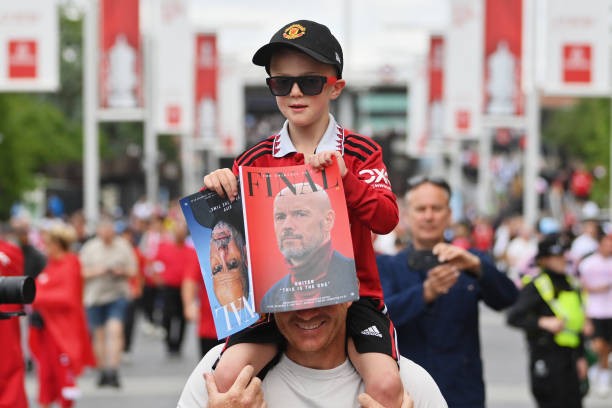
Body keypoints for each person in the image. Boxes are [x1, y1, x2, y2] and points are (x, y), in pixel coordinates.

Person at [203, 19, 402, 407]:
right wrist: (216, 188)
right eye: (281, 83)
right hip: (274, 299)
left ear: (335, 86)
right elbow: (223, 233)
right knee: (227, 375)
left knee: (387, 385)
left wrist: (345, 179)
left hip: (353, 296)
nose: (295, 92)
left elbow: (387, 219)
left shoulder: (361, 152)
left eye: (309, 82)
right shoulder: (253, 159)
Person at [376, 176, 519, 408]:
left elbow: (509, 298)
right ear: (407, 214)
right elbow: (378, 319)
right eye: (421, 209)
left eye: (436, 208)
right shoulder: (387, 266)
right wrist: (424, 293)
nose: (429, 216)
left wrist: (477, 267)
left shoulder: (468, 262)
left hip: (462, 391)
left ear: (449, 214)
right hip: (407, 393)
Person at [177, 301, 448, 408]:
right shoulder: (221, 379)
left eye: (321, 294)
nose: (307, 312)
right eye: (290, 297)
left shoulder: (407, 385)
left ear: (350, 293)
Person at [507, 234, 588, 407]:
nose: (561, 260)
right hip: (546, 355)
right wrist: (543, 322)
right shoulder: (537, 285)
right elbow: (514, 317)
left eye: (562, 256)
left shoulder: (571, 284)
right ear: (544, 260)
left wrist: (581, 357)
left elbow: (577, 324)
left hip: (570, 357)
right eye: (555, 257)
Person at [28, 222, 96, 408]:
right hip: (47, 330)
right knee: (46, 377)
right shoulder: (51, 265)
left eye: (48, 243)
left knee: (63, 379)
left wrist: (37, 297)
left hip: (63, 332)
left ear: (57, 244)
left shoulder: (70, 263)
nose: (44, 247)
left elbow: (66, 297)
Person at [260, 182, 358, 310]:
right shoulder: (270, 298)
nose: (287, 225)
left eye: (300, 214)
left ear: (328, 220)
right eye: (280, 217)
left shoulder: (353, 276)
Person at [79, 216, 137, 388]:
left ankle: (113, 369)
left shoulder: (123, 246)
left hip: (117, 294)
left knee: (115, 330)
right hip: (94, 296)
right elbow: (79, 272)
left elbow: (133, 270)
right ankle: (103, 370)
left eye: (109, 229)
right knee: (99, 335)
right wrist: (98, 271)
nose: (106, 233)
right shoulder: (90, 248)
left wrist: (121, 271)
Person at [578, 231, 612, 396]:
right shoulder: (588, 264)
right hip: (595, 310)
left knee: (607, 348)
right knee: (598, 346)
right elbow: (580, 286)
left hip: (610, 311)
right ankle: (595, 371)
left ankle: (603, 377)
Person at [0, 237, 28, 408]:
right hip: (8, 322)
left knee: (9, 368)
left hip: (6, 322)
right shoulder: (11, 251)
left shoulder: (10, 251)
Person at [209, 219, 249, 309]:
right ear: (245, 255)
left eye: (217, 268)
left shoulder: (199, 213)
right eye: (232, 263)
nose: (222, 252)